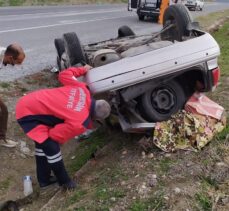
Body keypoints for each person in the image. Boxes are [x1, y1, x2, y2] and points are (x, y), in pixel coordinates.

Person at [15, 65, 111, 190]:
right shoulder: (80, 122)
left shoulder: (82, 88)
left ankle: (44, 179)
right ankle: (65, 182)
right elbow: (55, 135)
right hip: (29, 115)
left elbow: (64, 74)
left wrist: (83, 69)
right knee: (52, 147)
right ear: (96, 118)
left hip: (29, 100)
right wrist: (61, 140)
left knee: (42, 145)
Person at [0, 43, 25, 147]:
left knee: (3, 110)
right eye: (15, 63)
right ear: (10, 57)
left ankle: (1, 139)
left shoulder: (3, 53)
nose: (15, 65)